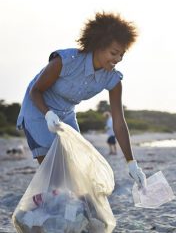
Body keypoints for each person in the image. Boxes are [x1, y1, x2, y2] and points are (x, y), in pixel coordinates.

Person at [16, 12, 146, 188]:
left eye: (121, 55)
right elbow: (36, 90)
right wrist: (47, 114)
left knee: (76, 168)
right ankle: (39, 208)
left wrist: (132, 163)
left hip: (66, 113)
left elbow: (119, 123)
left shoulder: (113, 80)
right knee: (53, 173)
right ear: (98, 46)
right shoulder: (66, 61)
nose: (117, 59)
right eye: (114, 53)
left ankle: (66, 209)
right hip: (38, 109)